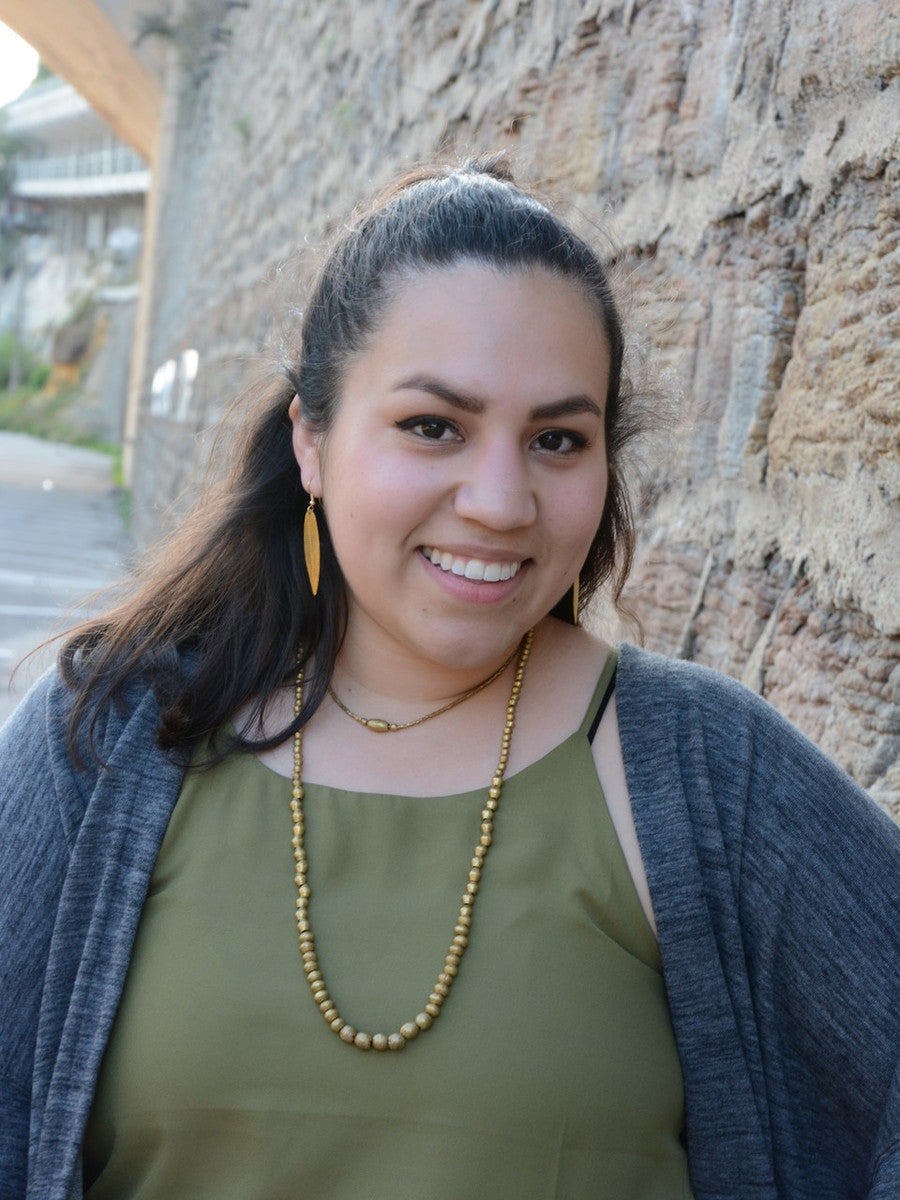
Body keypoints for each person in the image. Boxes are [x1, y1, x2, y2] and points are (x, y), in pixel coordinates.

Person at [0, 156, 897, 1200]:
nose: (501, 501)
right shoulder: (101, 742)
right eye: (434, 426)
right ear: (312, 440)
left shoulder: (709, 774)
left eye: (559, 439)